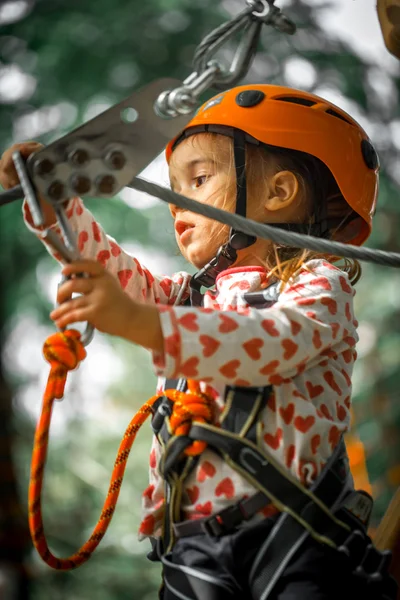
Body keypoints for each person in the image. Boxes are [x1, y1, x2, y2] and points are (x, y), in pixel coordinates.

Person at [0, 84, 395, 599]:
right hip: (193, 544)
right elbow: (120, 280)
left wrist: (144, 323)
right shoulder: (189, 297)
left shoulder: (317, 285)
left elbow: (270, 341)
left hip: (298, 531)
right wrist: (54, 203)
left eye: (199, 179)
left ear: (278, 193)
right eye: (173, 187)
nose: (175, 204)